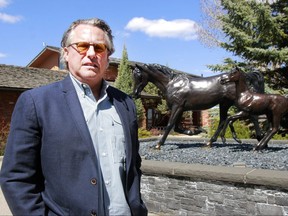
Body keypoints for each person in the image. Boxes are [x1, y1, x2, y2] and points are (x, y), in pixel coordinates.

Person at [0, 18, 148, 216]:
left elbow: (133, 165)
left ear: (108, 56)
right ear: (66, 53)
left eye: (99, 47)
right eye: (82, 46)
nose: (91, 54)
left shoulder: (125, 104)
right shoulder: (36, 102)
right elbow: (16, 177)